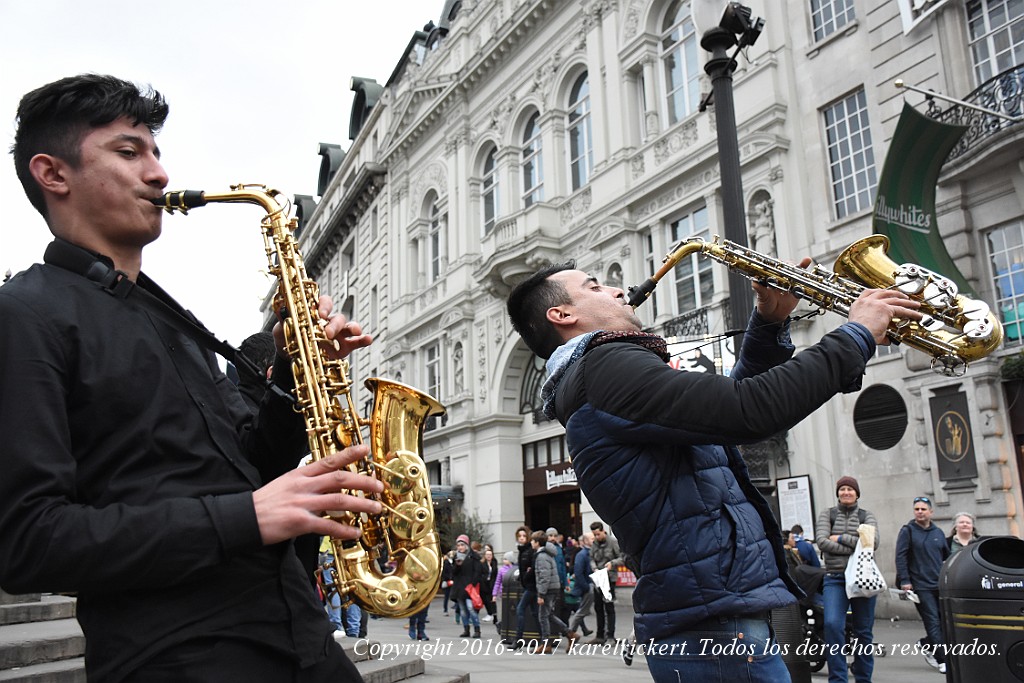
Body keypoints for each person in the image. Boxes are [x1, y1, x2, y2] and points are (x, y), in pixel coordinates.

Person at [0, 74, 383, 682]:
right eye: (129, 152)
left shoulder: (170, 319)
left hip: (298, 635)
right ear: (54, 174)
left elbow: (250, 468)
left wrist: (297, 367)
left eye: (156, 153)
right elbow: (25, 541)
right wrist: (246, 517)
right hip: (177, 655)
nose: (159, 174)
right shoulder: (23, 315)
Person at [506, 260, 920, 683]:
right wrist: (856, 334)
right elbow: (748, 409)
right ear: (562, 315)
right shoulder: (603, 366)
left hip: (711, 619)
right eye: (594, 286)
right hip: (713, 627)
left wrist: (768, 324)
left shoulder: (597, 372)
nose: (615, 290)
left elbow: (724, 419)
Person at [815, 476, 880, 683]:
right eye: (842, 489)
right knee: (833, 625)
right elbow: (822, 542)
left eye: (850, 489)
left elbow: (872, 542)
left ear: (857, 493)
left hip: (862, 579)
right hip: (834, 578)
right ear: (838, 493)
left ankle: (863, 678)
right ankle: (838, 679)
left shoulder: (866, 515)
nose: (846, 492)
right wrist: (856, 543)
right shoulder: (828, 514)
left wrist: (840, 538)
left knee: (863, 631)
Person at [895, 496, 950, 674]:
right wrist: (905, 580)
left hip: (938, 584)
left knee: (943, 621)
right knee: (932, 621)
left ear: (931, 512)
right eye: (917, 509)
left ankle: (927, 643)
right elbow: (900, 556)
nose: (919, 512)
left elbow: (946, 558)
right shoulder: (907, 531)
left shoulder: (938, 533)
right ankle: (942, 660)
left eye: (923, 509)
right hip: (920, 585)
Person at [531, 530, 577, 653]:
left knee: (543, 616)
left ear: (537, 543)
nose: (531, 543)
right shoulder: (548, 554)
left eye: (532, 541)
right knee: (548, 615)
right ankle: (569, 634)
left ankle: (546, 643)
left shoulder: (541, 556)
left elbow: (544, 576)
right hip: (553, 587)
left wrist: (541, 594)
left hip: (548, 589)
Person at [588, 521, 623, 644]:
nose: (597, 537)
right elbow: (591, 557)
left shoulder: (612, 542)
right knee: (598, 607)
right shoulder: (594, 544)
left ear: (603, 531)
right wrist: (594, 567)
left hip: (609, 578)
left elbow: (622, 557)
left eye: (598, 534)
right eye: (594, 535)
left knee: (609, 607)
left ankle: (610, 636)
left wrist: (612, 564)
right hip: (598, 577)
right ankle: (600, 635)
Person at [512, 525, 540, 649]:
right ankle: (544, 638)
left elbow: (532, 568)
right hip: (528, 585)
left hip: (531, 586)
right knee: (535, 613)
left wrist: (527, 574)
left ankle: (518, 639)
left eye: (524, 536)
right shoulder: (523, 550)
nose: (521, 538)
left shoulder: (529, 551)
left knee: (520, 609)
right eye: (519, 536)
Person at [450, 534, 483, 638]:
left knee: (471, 609)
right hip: (459, 588)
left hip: (469, 588)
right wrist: (457, 566)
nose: (460, 547)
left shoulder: (473, 556)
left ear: (467, 545)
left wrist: (472, 583)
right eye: (458, 545)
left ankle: (477, 630)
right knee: (463, 611)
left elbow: (478, 571)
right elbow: (453, 573)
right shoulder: (456, 557)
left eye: (462, 545)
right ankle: (466, 629)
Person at [567, 532, 595, 638]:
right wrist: (587, 586)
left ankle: (572, 631)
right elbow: (578, 572)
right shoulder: (582, 554)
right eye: (592, 538)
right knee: (582, 610)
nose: (594, 540)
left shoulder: (591, 552)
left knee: (582, 610)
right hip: (587, 586)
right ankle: (570, 632)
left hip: (591, 584)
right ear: (586, 541)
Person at [480, 546, 499, 623]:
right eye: (487, 554)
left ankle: (495, 616)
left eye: (490, 555)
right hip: (484, 584)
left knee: (492, 600)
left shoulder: (494, 563)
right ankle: (489, 613)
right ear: (485, 555)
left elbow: (495, 574)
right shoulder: (482, 563)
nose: (489, 556)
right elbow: (480, 573)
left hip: (492, 584)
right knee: (486, 600)